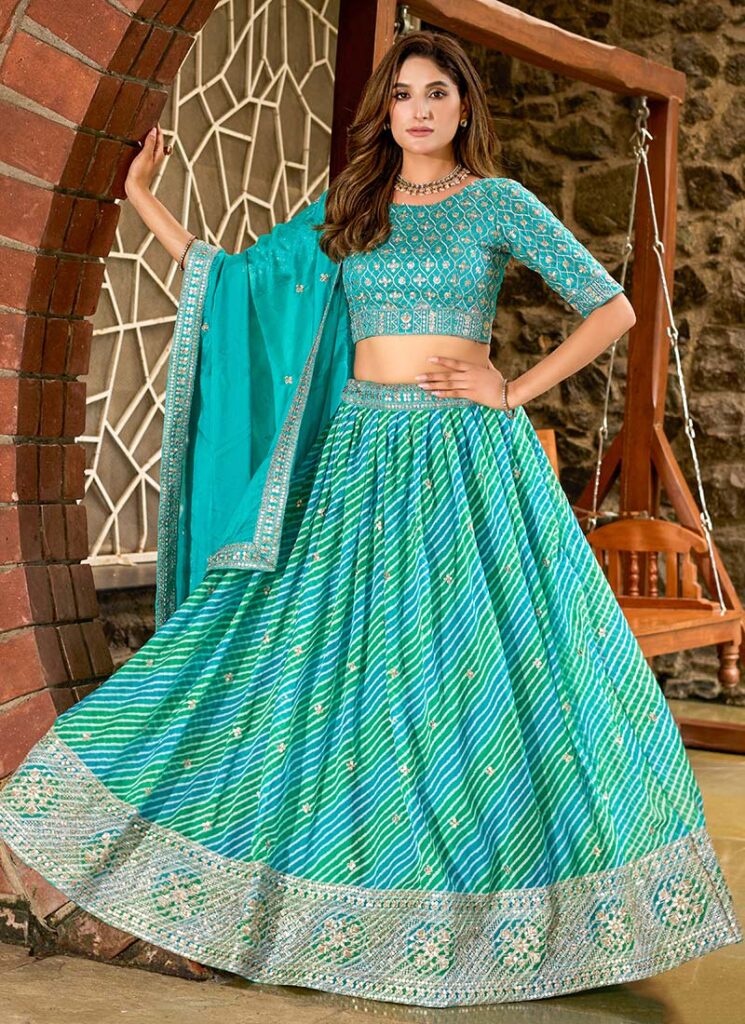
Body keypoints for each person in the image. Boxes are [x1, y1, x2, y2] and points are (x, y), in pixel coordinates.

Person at [0, 29, 740, 1009]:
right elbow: (241, 287)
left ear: (464, 106)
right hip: (357, 456)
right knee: (333, 663)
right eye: (402, 95)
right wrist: (141, 194)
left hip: (467, 460)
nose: (419, 110)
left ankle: (492, 903)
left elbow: (613, 309)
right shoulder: (353, 203)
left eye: (436, 93)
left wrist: (511, 388)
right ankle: (337, 885)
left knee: (476, 666)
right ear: (384, 112)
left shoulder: (498, 202)